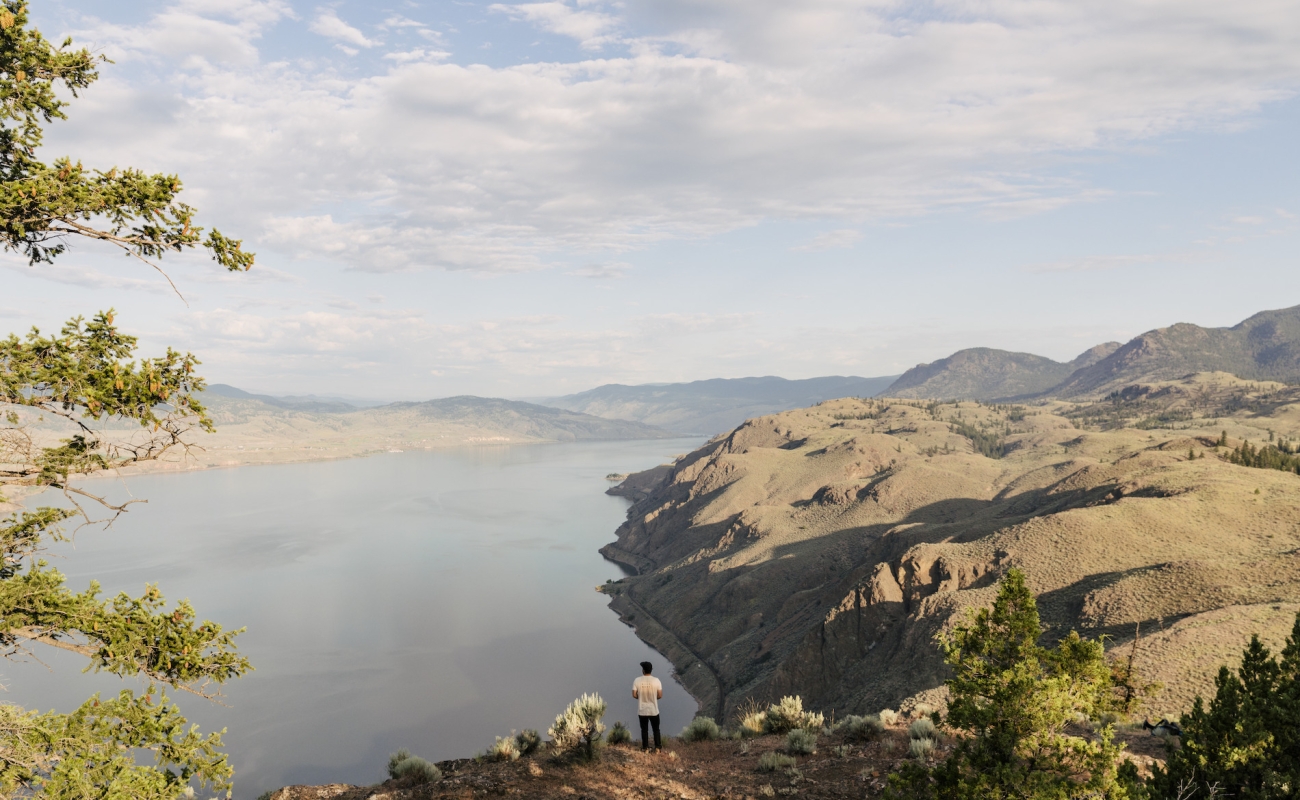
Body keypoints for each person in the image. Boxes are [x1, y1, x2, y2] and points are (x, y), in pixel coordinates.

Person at [632, 660, 663, 752]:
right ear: (651, 670)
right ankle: (657, 748)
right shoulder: (656, 681)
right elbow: (660, 695)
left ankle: (645, 748)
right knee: (656, 729)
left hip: (642, 710)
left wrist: (641, 697)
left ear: (643, 670)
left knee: (644, 730)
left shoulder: (637, 680)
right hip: (654, 710)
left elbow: (634, 694)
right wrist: (653, 698)